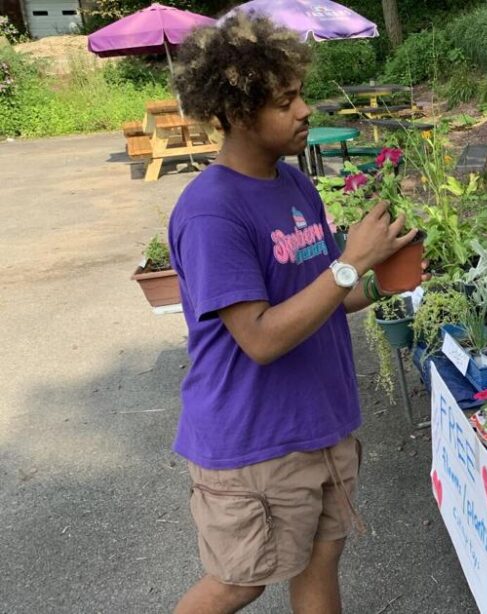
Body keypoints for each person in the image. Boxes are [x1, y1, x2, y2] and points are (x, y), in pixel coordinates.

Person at [167, 13, 421, 614]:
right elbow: (258, 338)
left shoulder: (293, 185)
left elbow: (331, 295)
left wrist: (389, 276)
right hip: (253, 441)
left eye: (300, 92)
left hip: (320, 425)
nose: (305, 110)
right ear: (234, 112)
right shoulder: (212, 213)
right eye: (285, 101)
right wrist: (350, 263)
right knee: (240, 582)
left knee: (319, 561)